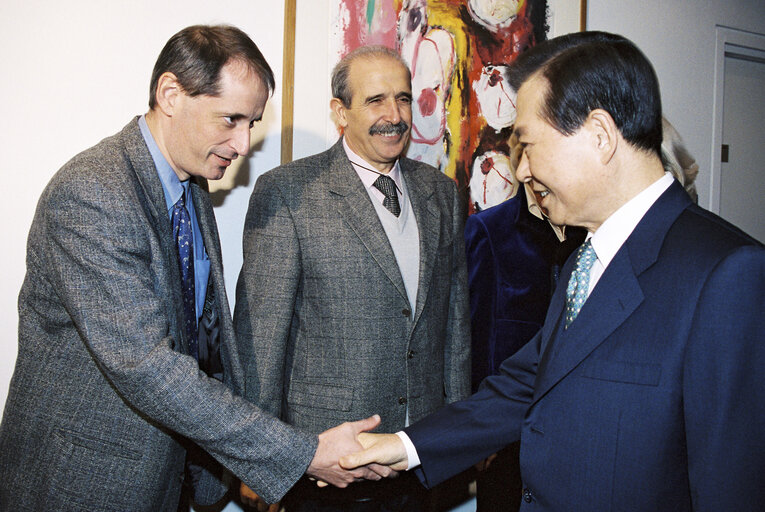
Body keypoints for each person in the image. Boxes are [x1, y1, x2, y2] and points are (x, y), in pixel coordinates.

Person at [340, 31, 765, 511]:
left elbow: (734, 487)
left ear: (599, 136)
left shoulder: (729, 274)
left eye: (527, 144)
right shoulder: (585, 257)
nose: (521, 172)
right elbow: (527, 384)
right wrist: (403, 447)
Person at [0, 25, 387, 512]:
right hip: (84, 484)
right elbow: (150, 368)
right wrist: (301, 453)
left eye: (252, 122)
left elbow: (205, 344)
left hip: (165, 481)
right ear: (170, 94)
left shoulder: (190, 185)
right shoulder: (93, 193)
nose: (244, 143)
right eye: (231, 119)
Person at [233, 45, 471, 511]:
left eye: (403, 99)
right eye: (375, 100)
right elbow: (261, 339)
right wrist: (259, 463)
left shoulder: (441, 193)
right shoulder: (288, 192)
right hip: (327, 466)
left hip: (420, 460)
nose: (395, 115)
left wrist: (456, 437)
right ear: (340, 112)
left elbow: (455, 327)